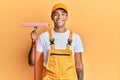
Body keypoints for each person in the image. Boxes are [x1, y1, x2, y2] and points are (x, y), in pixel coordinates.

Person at [28, 3, 84, 80]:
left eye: (63, 14)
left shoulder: (75, 37)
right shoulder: (43, 37)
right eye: (56, 14)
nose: (59, 17)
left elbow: (79, 65)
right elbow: (32, 63)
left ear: (67, 17)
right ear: (51, 17)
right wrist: (33, 42)